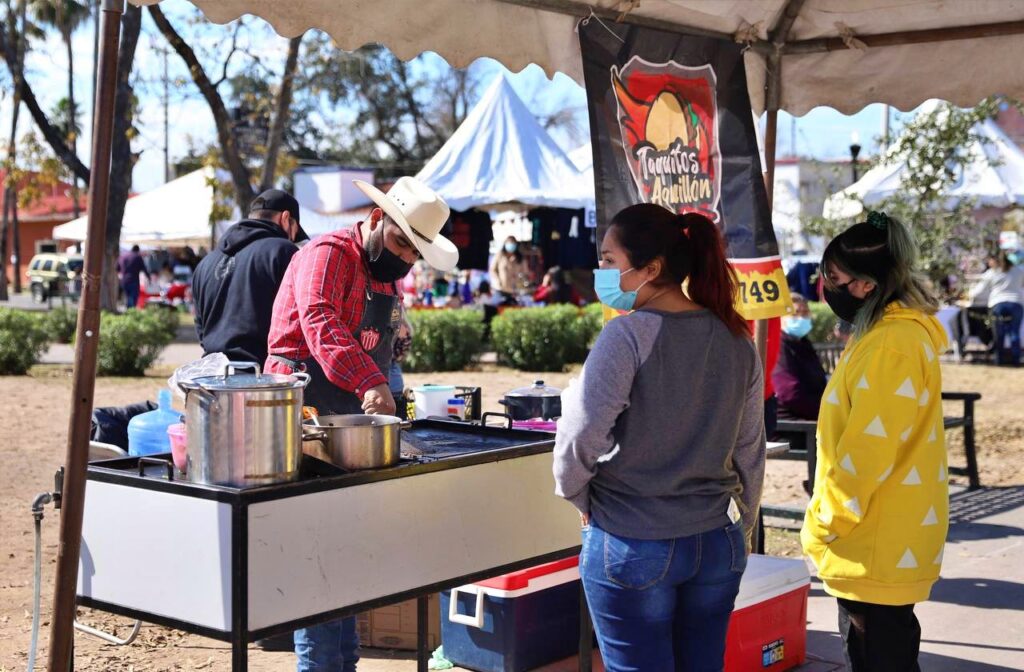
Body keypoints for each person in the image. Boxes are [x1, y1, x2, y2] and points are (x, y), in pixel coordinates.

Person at [553, 204, 765, 670]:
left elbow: (580, 436)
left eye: (609, 260)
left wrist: (578, 496)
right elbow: (750, 446)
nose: (601, 270)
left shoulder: (625, 336)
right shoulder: (737, 338)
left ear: (650, 269)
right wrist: (744, 521)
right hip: (716, 544)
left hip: (632, 541)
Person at [265, 177, 458, 671]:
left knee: (346, 555)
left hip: (353, 419)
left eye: (415, 254)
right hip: (304, 411)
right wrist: (369, 381)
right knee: (318, 558)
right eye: (400, 244)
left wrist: (393, 362)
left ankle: (343, 665)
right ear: (376, 220)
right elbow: (319, 321)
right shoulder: (326, 253)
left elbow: (380, 336)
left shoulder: (386, 273)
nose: (405, 260)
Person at [801, 211, 948, 672]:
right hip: (882, 536)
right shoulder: (892, 336)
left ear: (865, 285)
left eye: (834, 278)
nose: (826, 287)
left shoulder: (890, 344)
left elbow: (868, 449)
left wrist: (825, 522)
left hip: (872, 541)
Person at [191, 189, 308, 365]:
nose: (292, 239)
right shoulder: (283, 251)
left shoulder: (206, 262)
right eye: (295, 232)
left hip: (214, 375)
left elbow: (200, 328)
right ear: (285, 218)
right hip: (263, 377)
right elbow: (298, 315)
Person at [773, 293, 828, 420]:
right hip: (790, 423)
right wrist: (825, 412)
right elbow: (789, 392)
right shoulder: (779, 344)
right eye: (795, 313)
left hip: (811, 416)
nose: (801, 317)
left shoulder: (803, 343)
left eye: (805, 312)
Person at [969, 251, 1023, 366]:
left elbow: (979, 291)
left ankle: (999, 360)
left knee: (999, 334)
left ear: (994, 260)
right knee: (1014, 333)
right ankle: (1016, 360)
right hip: (1016, 304)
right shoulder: (1019, 270)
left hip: (998, 304)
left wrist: (969, 294)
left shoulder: (991, 273)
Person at [489, 235, 528, 304]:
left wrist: (520, 280)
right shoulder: (500, 255)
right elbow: (492, 270)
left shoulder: (520, 258)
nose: (511, 246)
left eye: (513, 244)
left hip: (514, 290)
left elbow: (525, 272)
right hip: (500, 289)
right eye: (509, 243)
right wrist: (497, 280)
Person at [117, 245, 150, 310]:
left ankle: (128, 311)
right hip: (134, 281)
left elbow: (117, 268)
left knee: (127, 297)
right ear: (138, 250)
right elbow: (144, 269)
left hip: (124, 280)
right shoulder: (137, 257)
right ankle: (130, 312)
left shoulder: (123, 256)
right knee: (132, 298)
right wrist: (149, 277)